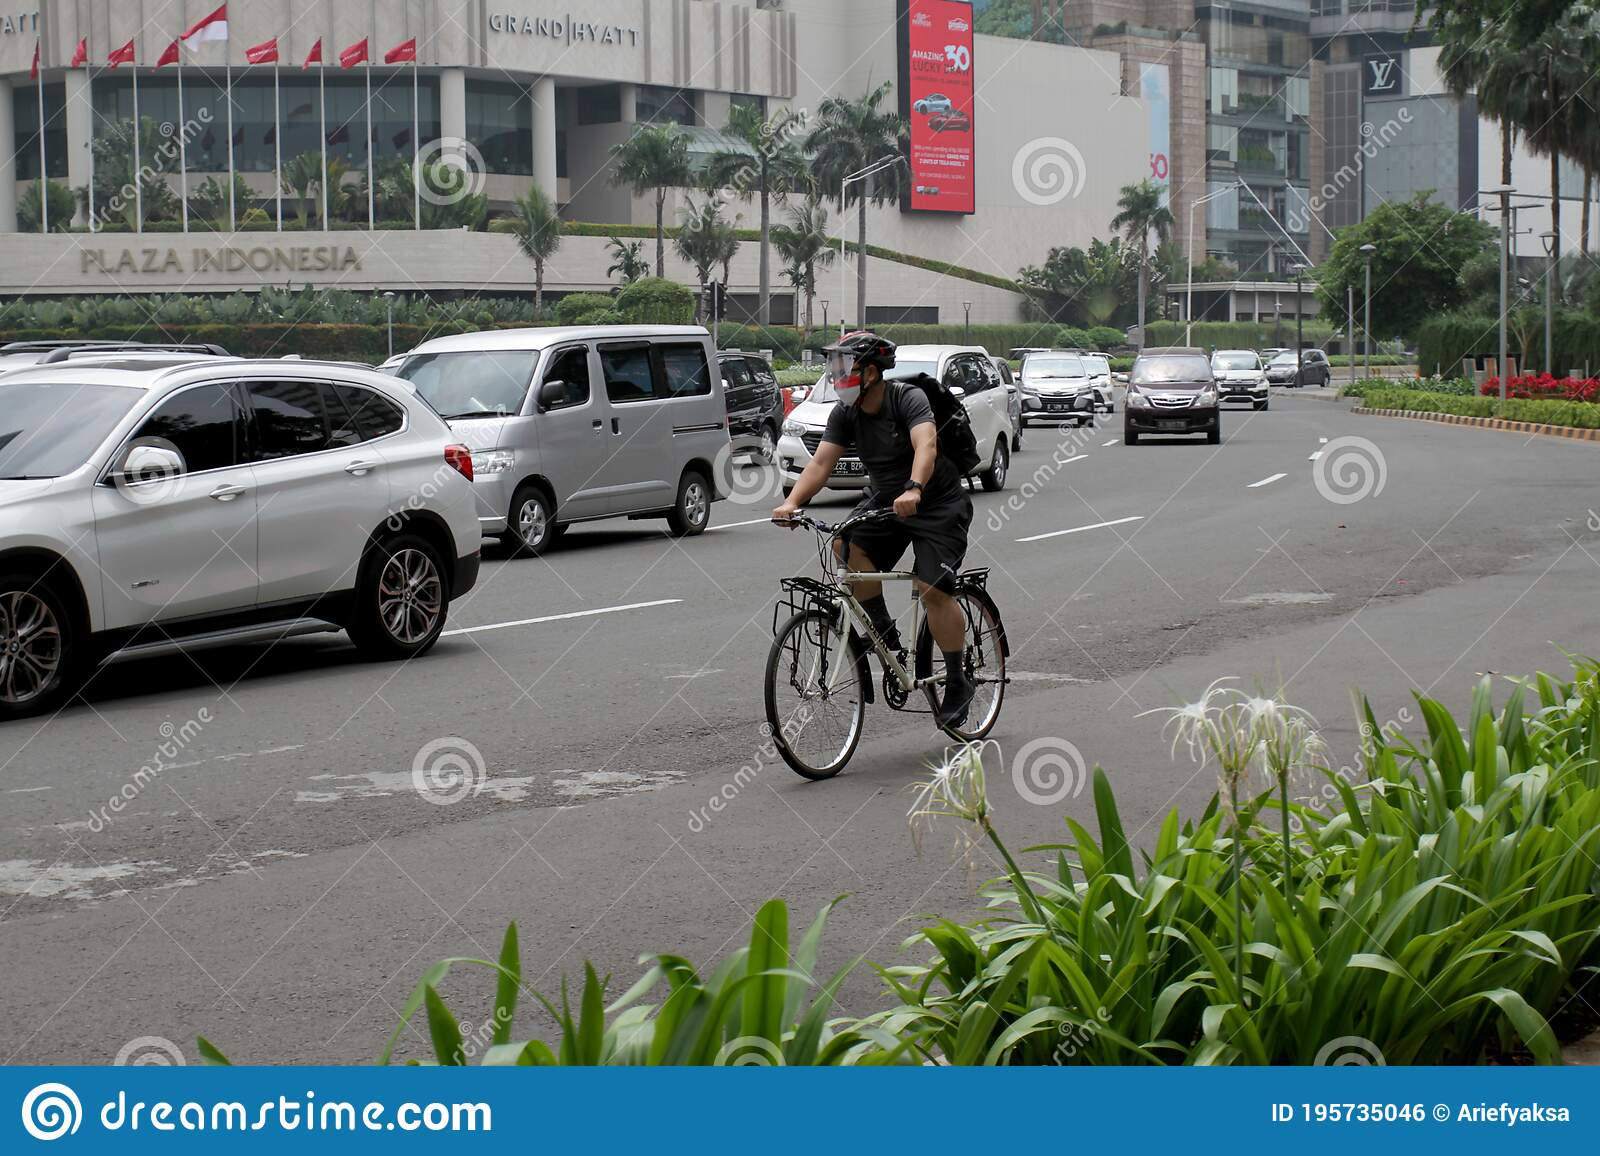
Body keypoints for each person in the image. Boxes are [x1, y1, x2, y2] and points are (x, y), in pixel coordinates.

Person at [771, 332, 977, 727]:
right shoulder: (844, 414)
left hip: (936, 503)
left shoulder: (906, 399)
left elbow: (926, 447)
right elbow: (819, 465)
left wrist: (915, 488)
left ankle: (956, 679)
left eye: (843, 368)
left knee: (934, 589)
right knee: (846, 545)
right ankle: (887, 638)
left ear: (870, 372)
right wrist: (792, 503)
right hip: (888, 501)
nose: (836, 376)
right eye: (833, 368)